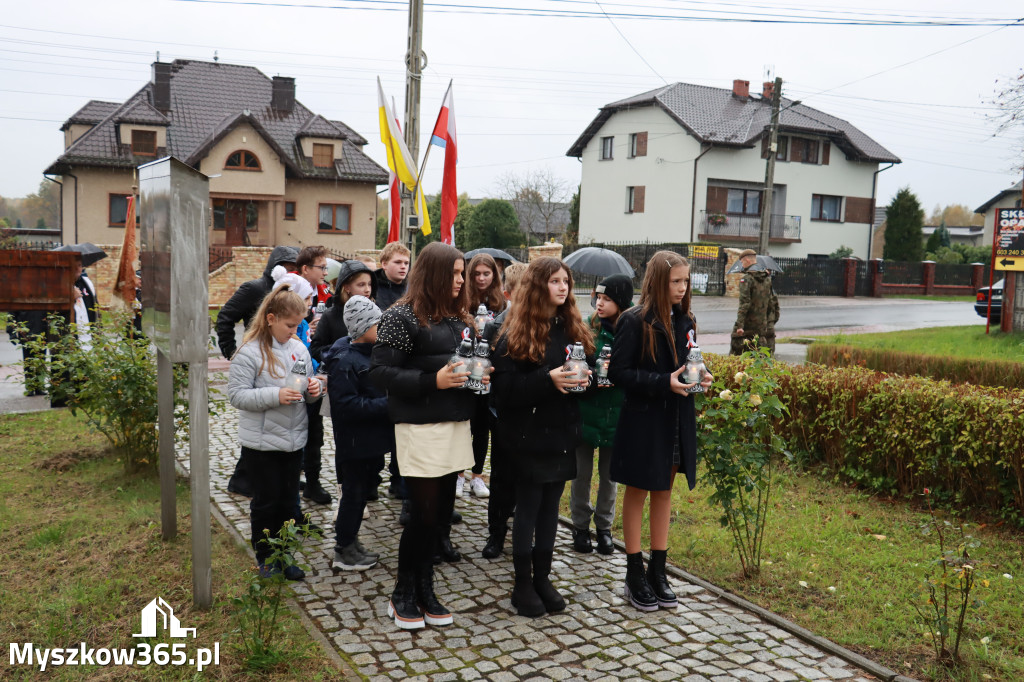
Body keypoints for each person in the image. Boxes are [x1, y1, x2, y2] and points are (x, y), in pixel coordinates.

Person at [369, 242, 479, 631]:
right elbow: (380, 373)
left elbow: (464, 364)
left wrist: (481, 372)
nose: (461, 280)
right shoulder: (401, 316)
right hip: (419, 428)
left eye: (462, 273)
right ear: (432, 273)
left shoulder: (459, 317)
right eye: (454, 273)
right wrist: (434, 380)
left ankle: (426, 589)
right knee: (422, 516)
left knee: (440, 516)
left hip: (454, 424)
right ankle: (402, 593)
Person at [608, 251, 713, 612]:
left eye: (686, 281)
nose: (682, 289)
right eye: (676, 282)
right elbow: (618, 373)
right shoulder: (634, 321)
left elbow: (689, 360)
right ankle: (634, 572)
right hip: (644, 421)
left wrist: (701, 374)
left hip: (677, 419)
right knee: (638, 490)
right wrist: (662, 382)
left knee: (665, 490)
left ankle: (659, 570)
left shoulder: (687, 319)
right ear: (657, 281)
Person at [491, 257, 593, 618]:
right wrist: (547, 380)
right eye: (554, 281)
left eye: (566, 280)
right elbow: (503, 392)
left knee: (552, 507)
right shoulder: (510, 332)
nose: (563, 287)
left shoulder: (572, 329)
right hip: (527, 435)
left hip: (563, 432)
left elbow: (583, 378)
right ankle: (522, 583)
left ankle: (543, 578)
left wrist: (586, 381)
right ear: (538, 287)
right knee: (529, 508)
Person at [226, 283, 322, 580]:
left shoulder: (298, 348)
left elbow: (304, 386)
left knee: (288, 503)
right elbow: (237, 396)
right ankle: (266, 558)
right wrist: (275, 395)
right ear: (270, 318)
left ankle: (284, 554)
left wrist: (314, 389)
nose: (294, 331)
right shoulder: (249, 352)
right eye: (290, 325)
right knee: (266, 504)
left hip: (294, 440)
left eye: (299, 325)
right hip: (262, 445)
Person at [217, 245, 299, 498]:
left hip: (283, 361)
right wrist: (232, 351)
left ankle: (258, 478)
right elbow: (225, 317)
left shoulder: (292, 293)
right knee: (258, 424)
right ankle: (243, 480)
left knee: (273, 423)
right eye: (288, 267)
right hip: (257, 363)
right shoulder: (253, 288)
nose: (292, 273)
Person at [324, 295, 390, 572]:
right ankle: (344, 547)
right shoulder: (345, 361)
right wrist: (388, 404)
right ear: (363, 328)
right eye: (378, 324)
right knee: (352, 495)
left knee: (361, 493)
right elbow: (346, 405)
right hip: (354, 444)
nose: (383, 328)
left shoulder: (370, 352)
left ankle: (351, 542)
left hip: (370, 442)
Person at [571, 273, 632, 556]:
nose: (599, 303)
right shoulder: (586, 328)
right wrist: (591, 372)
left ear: (621, 302)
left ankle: (604, 529)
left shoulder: (631, 330)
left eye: (607, 299)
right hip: (586, 412)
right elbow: (573, 361)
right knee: (580, 474)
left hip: (617, 415)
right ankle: (580, 527)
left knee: (610, 476)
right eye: (598, 297)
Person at [480, 262, 526, 560]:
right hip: (503, 412)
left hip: (533, 412)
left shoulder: (546, 322)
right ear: (509, 293)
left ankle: (523, 530)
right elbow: (486, 367)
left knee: (527, 477)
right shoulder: (496, 324)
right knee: (501, 477)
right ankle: (496, 532)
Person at [457, 253, 506, 499]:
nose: (481, 278)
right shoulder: (463, 298)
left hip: (489, 370)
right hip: (466, 366)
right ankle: (458, 474)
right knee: (463, 424)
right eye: (476, 274)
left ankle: (477, 476)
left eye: (486, 273)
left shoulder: (500, 302)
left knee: (482, 426)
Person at [294, 245, 332, 505]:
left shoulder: (309, 314)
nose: (325, 273)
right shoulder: (292, 320)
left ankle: (311, 481)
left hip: (313, 382)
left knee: (314, 434)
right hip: (297, 388)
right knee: (303, 433)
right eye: (321, 267)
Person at [310, 259, 375, 364]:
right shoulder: (330, 315)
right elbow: (316, 350)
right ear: (347, 287)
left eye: (370, 284)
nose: (367, 289)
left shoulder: (376, 314)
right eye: (361, 285)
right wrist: (344, 347)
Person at [730, 249, 772, 356]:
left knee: (737, 353)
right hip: (761, 325)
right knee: (759, 354)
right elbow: (770, 303)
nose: (742, 265)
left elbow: (745, 303)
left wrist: (740, 325)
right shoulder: (767, 279)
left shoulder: (747, 279)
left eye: (742, 262)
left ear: (747, 260)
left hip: (747, 325)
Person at [372, 242, 410, 311]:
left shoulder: (413, 287)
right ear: (384, 264)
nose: (403, 267)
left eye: (406, 263)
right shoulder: (371, 286)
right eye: (398, 262)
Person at [765, 272, 780, 355]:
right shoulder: (771, 290)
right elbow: (776, 308)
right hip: (769, 322)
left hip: (761, 323)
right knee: (769, 352)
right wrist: (773, 320)